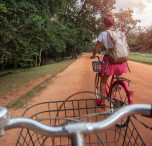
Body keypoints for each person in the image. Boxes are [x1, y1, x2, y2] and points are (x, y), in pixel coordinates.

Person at [91, 13, 128, 107]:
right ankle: (117, 85)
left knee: (103, 82)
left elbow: (96, 48)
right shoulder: (120, 33)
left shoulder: (103, 34)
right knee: (116, 75)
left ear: (104, 23)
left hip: (110, 61)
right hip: (121, 60)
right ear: (114, 23)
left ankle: (102, 103)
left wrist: (93, 55)